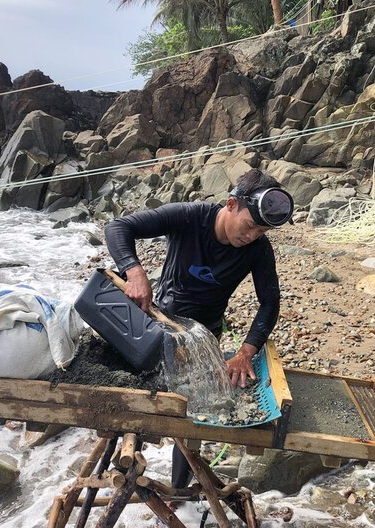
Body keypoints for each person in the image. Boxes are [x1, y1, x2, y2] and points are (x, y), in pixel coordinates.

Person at [104, 168, 294, 489]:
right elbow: (119, 227)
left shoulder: (258, 250)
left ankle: (179, 492)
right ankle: (123, 471)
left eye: (261, 232)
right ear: (231, 204)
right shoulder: (190, 216)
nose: (251, 236)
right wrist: (134, 271)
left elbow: (270, 302)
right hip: (158, 324)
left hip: (204, 339)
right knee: (133, 403)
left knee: (192, 415)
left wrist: (246, 352)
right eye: (249, 226)